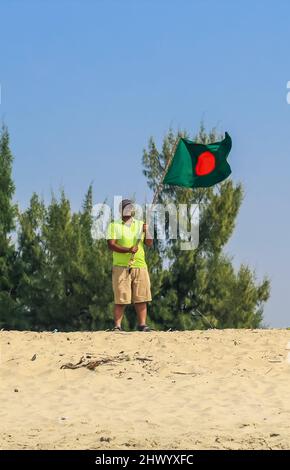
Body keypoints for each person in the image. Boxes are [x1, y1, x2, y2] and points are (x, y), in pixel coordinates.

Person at [107, 199, 153, 332]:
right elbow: (111, 245)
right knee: (121, 297)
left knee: (141, 297)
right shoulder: (114, 225)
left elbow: (149, 243)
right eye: (125, 207)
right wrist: (127, 250)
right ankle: (117, 326)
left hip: (140, 265)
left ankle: (142, 324)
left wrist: (147, 230)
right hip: (121, 266)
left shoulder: (140, 224)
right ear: (120, 210)